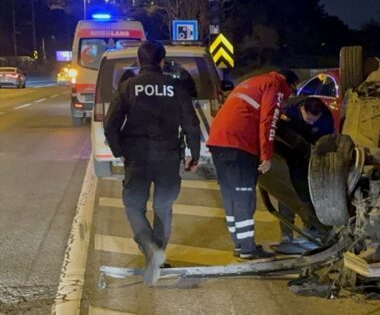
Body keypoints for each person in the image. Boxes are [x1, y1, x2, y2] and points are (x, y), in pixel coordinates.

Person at [103, 41, 201, 286]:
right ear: (161, 61)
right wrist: (194, 153)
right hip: (168, 155)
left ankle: (149, 247)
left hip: (136, 156)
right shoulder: (175, 87)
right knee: (163, 206)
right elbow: (191, 123)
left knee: (133, 204)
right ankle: (158, 252)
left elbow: (110, 124)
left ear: (138, 62)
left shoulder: (127, 87)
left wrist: (118, 150)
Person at [207, 69, 298, 260]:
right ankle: (248, 248)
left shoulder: (254, 81)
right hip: (238, 144)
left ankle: (240, 244)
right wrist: (266, 155)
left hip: (218, 141)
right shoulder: (276, 85)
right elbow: (268, 122)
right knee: (244, 196)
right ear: (289, 84)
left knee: (231, 195)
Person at [275, 97, 334, 253]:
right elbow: (279, 132)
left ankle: (312, 229)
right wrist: (302, 145)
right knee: (286, 193)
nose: (312, 123)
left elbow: (327, 141)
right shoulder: (288, 111)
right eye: (308, 119)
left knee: (310, 194)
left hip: (310, 159)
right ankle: (286, 234)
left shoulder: (325, 117)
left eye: (315, 121)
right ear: (302, 110)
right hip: (286, 154)